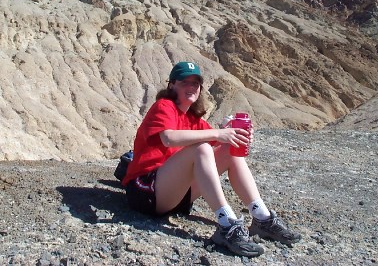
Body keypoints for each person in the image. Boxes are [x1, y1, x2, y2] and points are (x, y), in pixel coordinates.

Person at [122, 61, 301, 257]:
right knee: (202, 148)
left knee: (229, 148)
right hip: (146, 191)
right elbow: (168, 138)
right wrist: (218, 133)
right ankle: (227, 224)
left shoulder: (193, 119)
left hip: (176, 196)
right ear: (172, 85)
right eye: (184, 82)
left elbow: (219, 142)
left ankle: (262, 217)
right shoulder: (164, 106)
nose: (191, 87)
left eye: (195, 83)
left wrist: (235, 134)